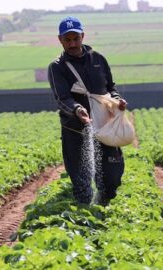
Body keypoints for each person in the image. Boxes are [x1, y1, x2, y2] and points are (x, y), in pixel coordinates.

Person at [48, 16, 128, 206]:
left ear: (83, 36)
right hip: (76, 131)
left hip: (104, 127)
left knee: (112, 176)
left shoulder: (97, 59)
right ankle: (85, 217)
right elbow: (62, 98)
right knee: (81, 182)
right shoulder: (57, 67)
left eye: (76, 38)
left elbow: (110, 87)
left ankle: (103, 206)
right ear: (60, 40)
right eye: (68, 40)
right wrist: (78, 110)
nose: (73, 44)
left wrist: (117, 101)